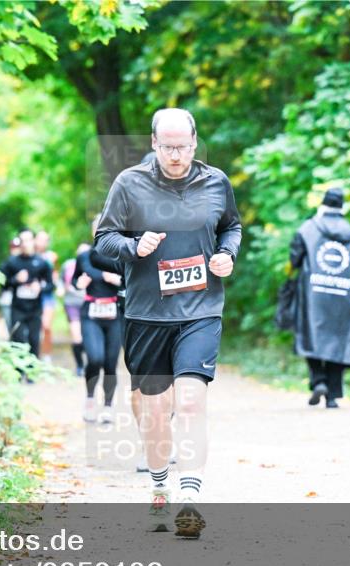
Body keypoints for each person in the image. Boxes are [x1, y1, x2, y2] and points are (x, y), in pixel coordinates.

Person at [94, 107, 241, 539]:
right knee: (156, 411)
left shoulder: (216, 182)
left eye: (183, 147)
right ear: (154, 144)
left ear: (195, 143)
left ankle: (190, 501)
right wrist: (134, 247)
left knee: (191, 402)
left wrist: (227, 254)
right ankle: (160, 489)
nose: (176, 155)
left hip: (200, 309)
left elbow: (231, 226)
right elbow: (104, 239)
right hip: (147, 314)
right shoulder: (129, 184)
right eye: (168, 147)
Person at [289, 187, 350, 408]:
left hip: (314, 295)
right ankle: (332, 396)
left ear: (323, 204)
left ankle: (318, 380)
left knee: (311, 336)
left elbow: (294, 259)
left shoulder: (308, 228)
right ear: (342, 206)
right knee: (339, 340)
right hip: (344, 295)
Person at [74, 225, 126, 423]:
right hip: (91, 314)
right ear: (93, 231)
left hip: (115, 314)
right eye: (98, 227)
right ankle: (89, 399)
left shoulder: (121, 256)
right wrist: (79, 283)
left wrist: (118, 281)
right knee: (95, 358)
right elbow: (75, 279)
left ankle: (108, 406)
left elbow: (132, 281)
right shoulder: (85, 256)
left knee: (110, 364)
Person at [1, 229, 52, 361]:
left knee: (34, 339)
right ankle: (19, 368)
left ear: (34, 241)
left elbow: (51, 285)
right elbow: (3, 284)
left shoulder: (42, 262)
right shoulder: (12, 262)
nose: (25, 243)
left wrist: (40, 287)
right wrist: (16, 280)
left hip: (35, 309)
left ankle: (32, 368)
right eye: (22, 240)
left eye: (28, 240)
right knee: (18, 339)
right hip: (17, 308)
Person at [61, 243, 90, 376]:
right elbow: (61, 281)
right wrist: (61, 288)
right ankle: (79, 365)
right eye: (80, 252)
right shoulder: (68, 265)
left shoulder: (95, 265)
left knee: (88, 336)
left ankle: (91, 363)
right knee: (76, 336)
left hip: (88, 303)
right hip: (71, 303)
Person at [35, 230, 59, 363]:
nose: (42, 242)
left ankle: (47, 354)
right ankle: (35, 354)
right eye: (40, 239)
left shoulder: (52, 256)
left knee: (46, 325)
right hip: (33, 296)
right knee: (35, 327)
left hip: (48, 295)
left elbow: (55, 275)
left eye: (45, 240)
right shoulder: (30, 256)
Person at [0, 237, 20, 335]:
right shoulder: (6, 264)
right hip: (7, 299)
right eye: (14, 248)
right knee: (11, 328)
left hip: (22, 301)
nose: (16, 250)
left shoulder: (26, 263)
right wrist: (15, 280)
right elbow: (3, 282)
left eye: (18, 248)